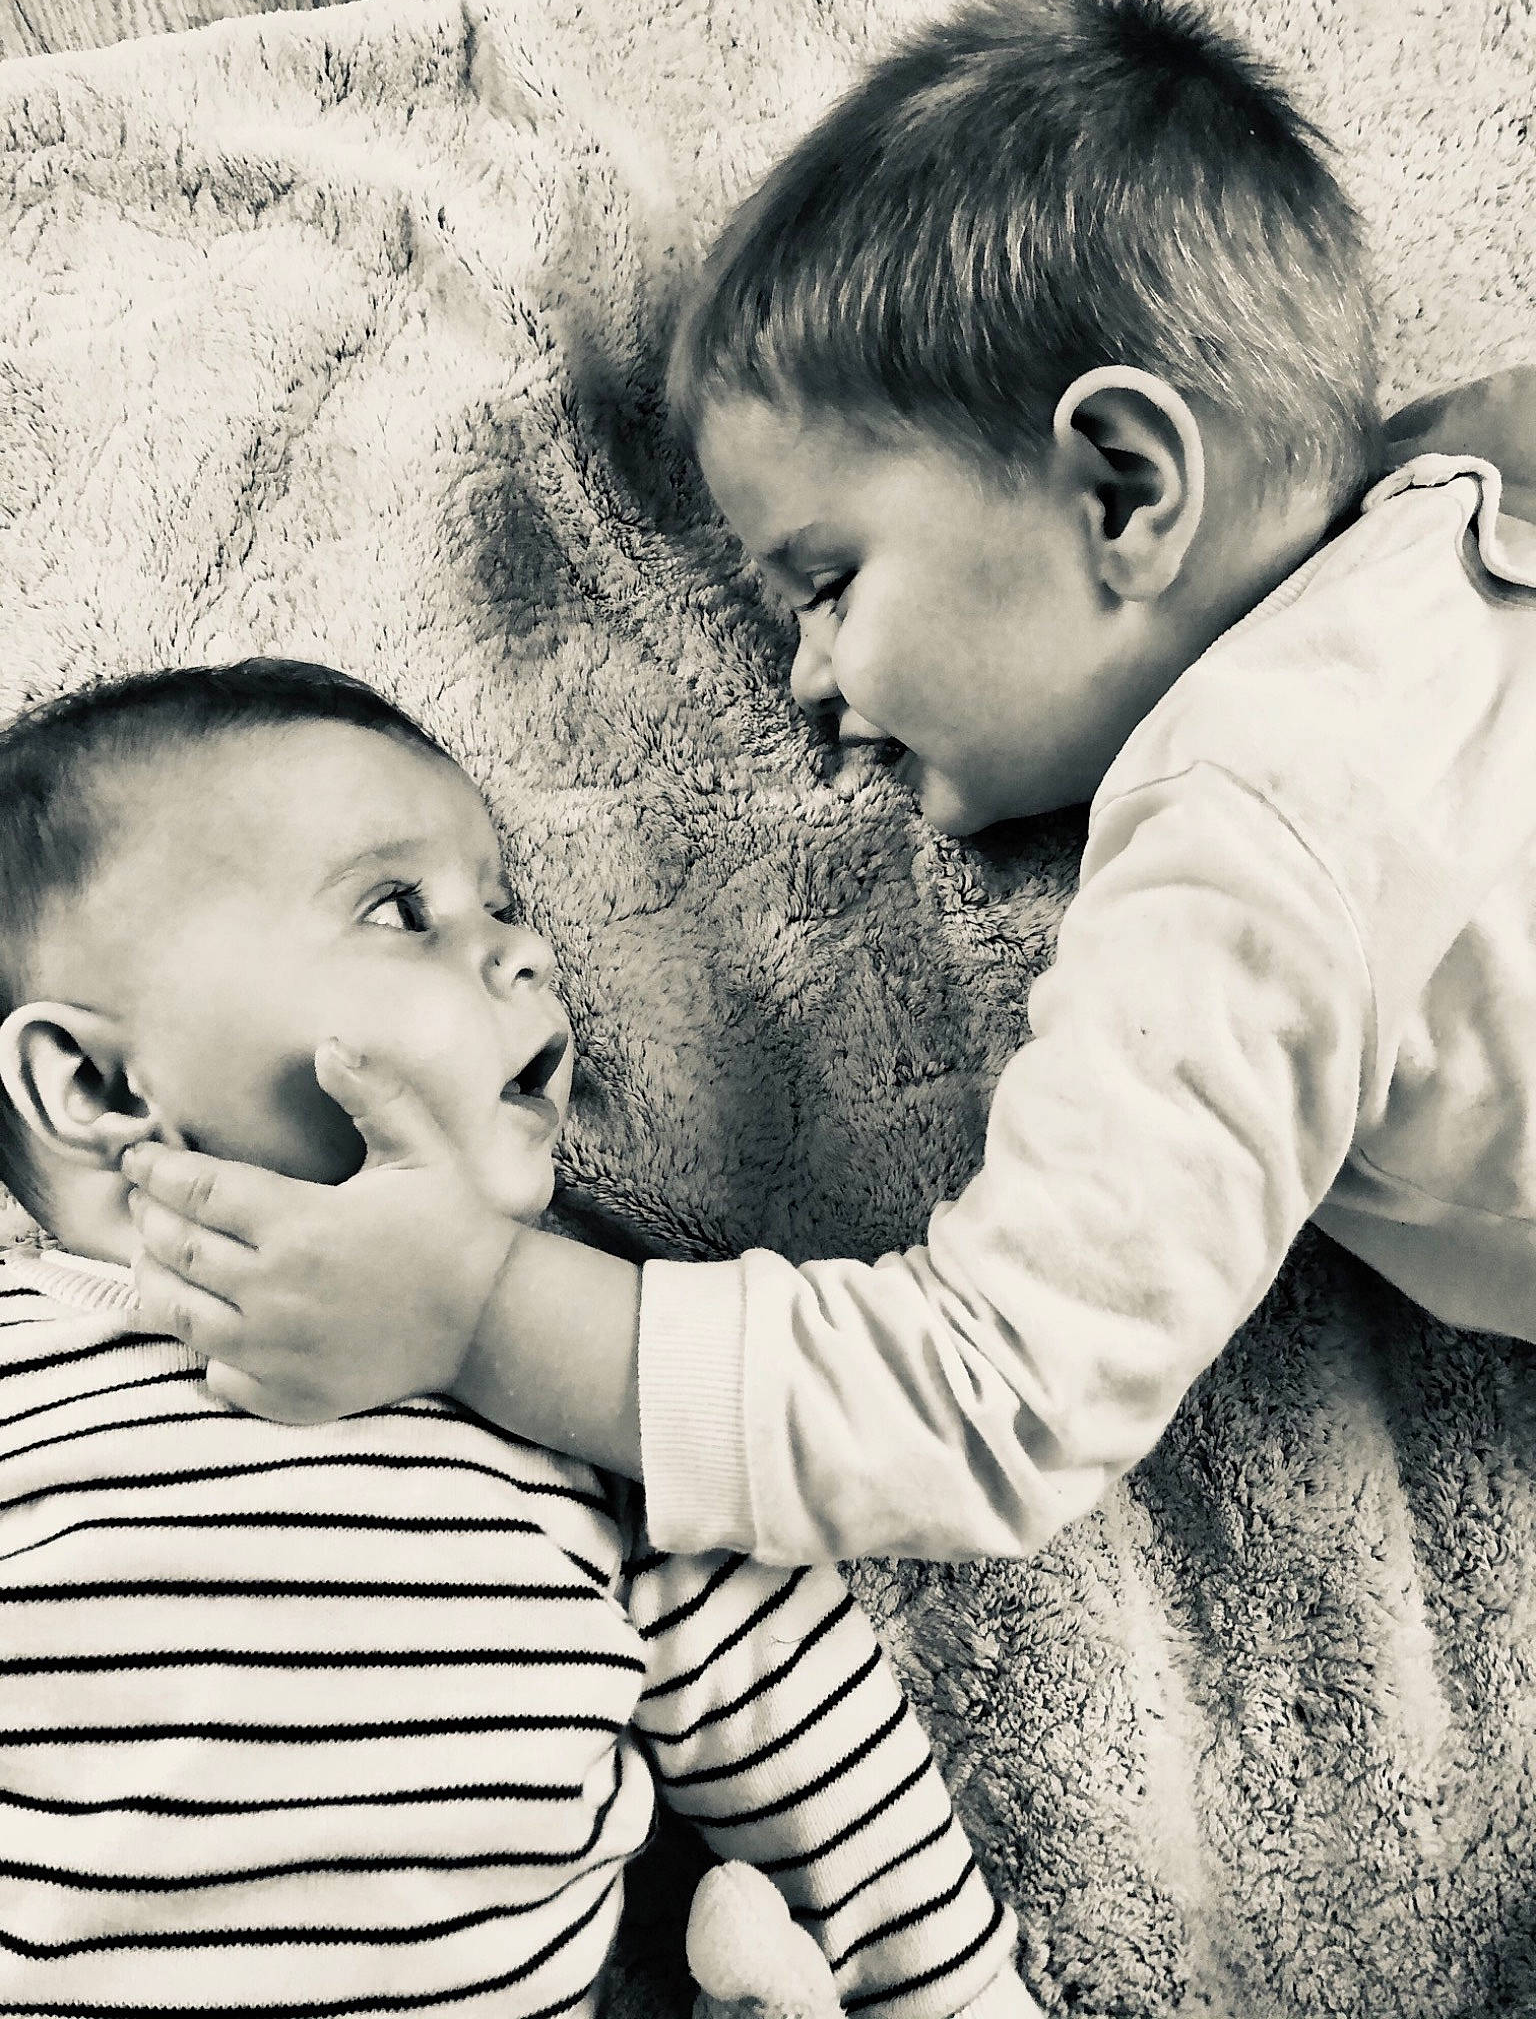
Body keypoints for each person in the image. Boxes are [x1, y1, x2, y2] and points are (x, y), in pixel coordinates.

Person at [120, 0, 1536, 1570]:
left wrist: (476, 1307)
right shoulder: (1463, 495)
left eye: (830, 585)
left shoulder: (1251, 849)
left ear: (1125, 491)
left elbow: (986, 1396)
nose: (805, 682)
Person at [0, 661, 1033, 2015]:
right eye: (399, 909)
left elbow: (823, 1745)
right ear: (100, 1086)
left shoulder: (571, 1368)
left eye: (506, 903)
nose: (524, 950)